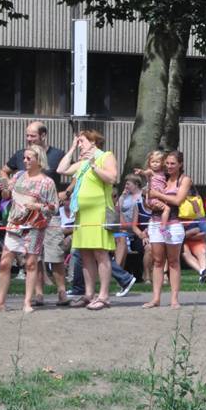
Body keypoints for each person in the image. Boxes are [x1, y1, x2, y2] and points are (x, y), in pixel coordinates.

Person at [0, 145, 59, 313]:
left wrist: (38, 206)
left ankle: (27, 302)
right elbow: (6, 195)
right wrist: (4, 189)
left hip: (34, 227)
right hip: (14, 224)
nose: (24, 161)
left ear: (39, 160)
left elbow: (54, 207)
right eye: (24, 158)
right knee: (5, 263)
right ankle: (0, 302)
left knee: (31, 264)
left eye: (28, 158)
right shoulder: (18, 176)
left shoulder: (47, 182)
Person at [1, 121, 66, 305]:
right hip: (26, 219)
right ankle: (38, 294)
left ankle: (62, 292)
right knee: (33, 258)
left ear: (43, 135)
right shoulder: (21, 155)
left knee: (55, 254)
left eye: (32, 135)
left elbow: (75, 173)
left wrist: (66, 193)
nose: (28, 139)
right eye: (27, 135)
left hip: (49, 215)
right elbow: (4, 171)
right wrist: (5, 185)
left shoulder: (57, 154)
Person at [57, 131, 118, 311]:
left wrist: (93, 165)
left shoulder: (105, 156)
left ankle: (104, 296)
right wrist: (72, 148)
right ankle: (89, 294)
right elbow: (61, 169)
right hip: (82, 213)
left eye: (82, 141)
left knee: (100, 253)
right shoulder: (82, 162)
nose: (80, 145)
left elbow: (112, 178)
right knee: (85, 254)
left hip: (98, 212)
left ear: (93, 142)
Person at [144, 151, 192, 309]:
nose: (169, 166)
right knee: (157, 261)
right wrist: (149, 199)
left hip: (173, 223)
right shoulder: (160, 177)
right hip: (155, 222)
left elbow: (177, 200)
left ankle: (174, 299)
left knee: (173, 261)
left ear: (180, 164)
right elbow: (148, 199)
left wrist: (157, 194)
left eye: (173, 163)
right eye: (167, 163)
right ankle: (155, 298)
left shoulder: (184, 180)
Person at [137, 151, 171, 235]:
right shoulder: (151, 171)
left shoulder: (163, 173)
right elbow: (145, 172)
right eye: (153, 162)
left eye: (157, 162)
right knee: (167, 209)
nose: (155, 164)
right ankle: (163, 228)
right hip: (153, 198)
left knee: (161, 210)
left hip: (159, 197)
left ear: (162, 163)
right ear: (149, 163)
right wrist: (141, 172)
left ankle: (152, 227)